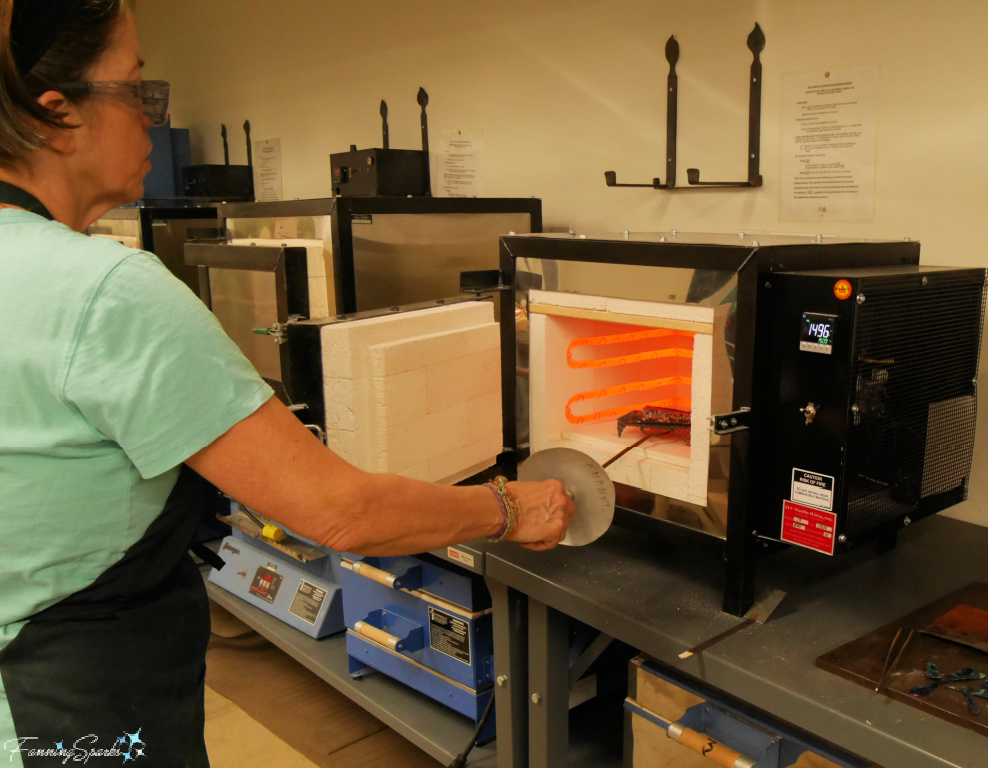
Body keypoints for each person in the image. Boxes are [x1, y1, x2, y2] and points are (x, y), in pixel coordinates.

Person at [0, 1, 573, 765]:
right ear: (55, 113)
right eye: (139, 89)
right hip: (69, 718)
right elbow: (340, 514)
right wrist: (510, 506)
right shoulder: (107, 290)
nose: (150, 119)